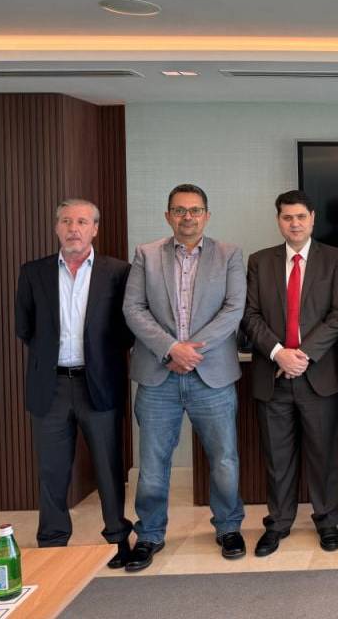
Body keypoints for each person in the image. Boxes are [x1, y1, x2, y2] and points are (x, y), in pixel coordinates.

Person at [122, 184, 246, 571]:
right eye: (179, 210)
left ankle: (228, 527)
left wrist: (191, 351)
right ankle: (149, 534)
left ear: (207, 215)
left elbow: (233, 309)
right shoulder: (146, 254)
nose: (187, 217)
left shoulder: (229, 254)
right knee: (152, 464)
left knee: (224, 459)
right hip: (158, 375)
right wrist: (171, 349)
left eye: (195, 210)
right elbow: (133, 308)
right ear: (168, 216)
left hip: (213, 377)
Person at [14, 198, 134, 568]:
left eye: (82, 221)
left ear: (95, 229)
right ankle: (52, 542)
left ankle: (117, 538)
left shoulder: (118, 272)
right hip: (50, 387)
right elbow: (25, 327)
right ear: (56, 227)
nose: (73, 228)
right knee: (51, 470)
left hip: (99, 383)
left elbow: (127, 330)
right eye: (66, 221)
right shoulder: (34, 272)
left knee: (109, 468)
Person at [242, 190, 338, 557]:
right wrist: (279, 353)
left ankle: (327, 521)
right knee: (277, 457)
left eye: (301, 216)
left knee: (322, 456)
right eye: (287, 217)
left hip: (318, 375)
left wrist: (302, 355)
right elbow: (250, 315)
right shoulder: (260, 261)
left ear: (313, 218)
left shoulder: (336, 259)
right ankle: (278, 522)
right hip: (272, 375)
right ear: (279, 221)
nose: (295, 223)